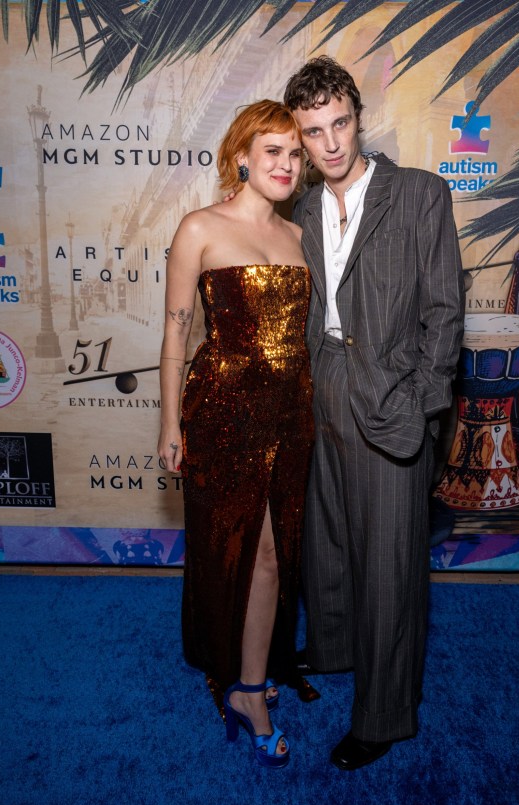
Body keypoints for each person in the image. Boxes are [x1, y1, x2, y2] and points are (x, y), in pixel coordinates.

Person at [284, 57, 465, 770]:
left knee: (390, 563)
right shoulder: (298, 207)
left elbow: (446, 315)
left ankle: (384, 715)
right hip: (321, 377)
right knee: (326, 535)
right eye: (313, 132)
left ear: (357, 116)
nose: (330, 144)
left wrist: (421, 406)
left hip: (390, 391)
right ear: (299, 139)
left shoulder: (419, 195)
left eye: (339, 124)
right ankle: (331, 648)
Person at [157, 100, 315, 768]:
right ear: (241, 156)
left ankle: (253, 669)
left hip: (289, 415)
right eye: (271, 150)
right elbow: (174, 334)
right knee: (237, 550)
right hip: (223, 413)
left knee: (277, 554)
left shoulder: (297, 237)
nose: (286, 163)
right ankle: (246, 688)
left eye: (295, 152)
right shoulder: (200, 227)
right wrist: (169, 421)